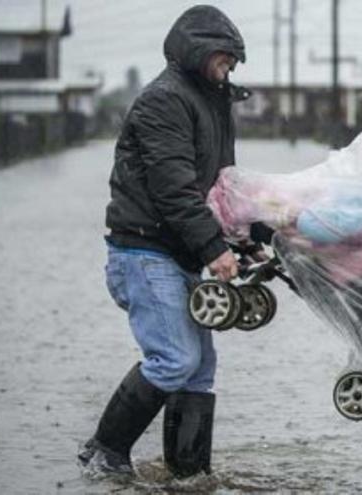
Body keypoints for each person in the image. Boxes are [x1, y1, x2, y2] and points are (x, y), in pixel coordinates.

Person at [78, 5, 273, 478]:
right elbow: (174, 189)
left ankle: (188, 475)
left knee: (200, 368)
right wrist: (213, 250)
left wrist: (249, 238)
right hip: (143, 251)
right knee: (174, 359)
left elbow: (220, 188)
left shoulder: (213, 102)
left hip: (177, 252)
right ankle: (104, 452)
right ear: (200, 50)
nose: (232, 67)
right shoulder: (164, 101)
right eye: (226, 58)